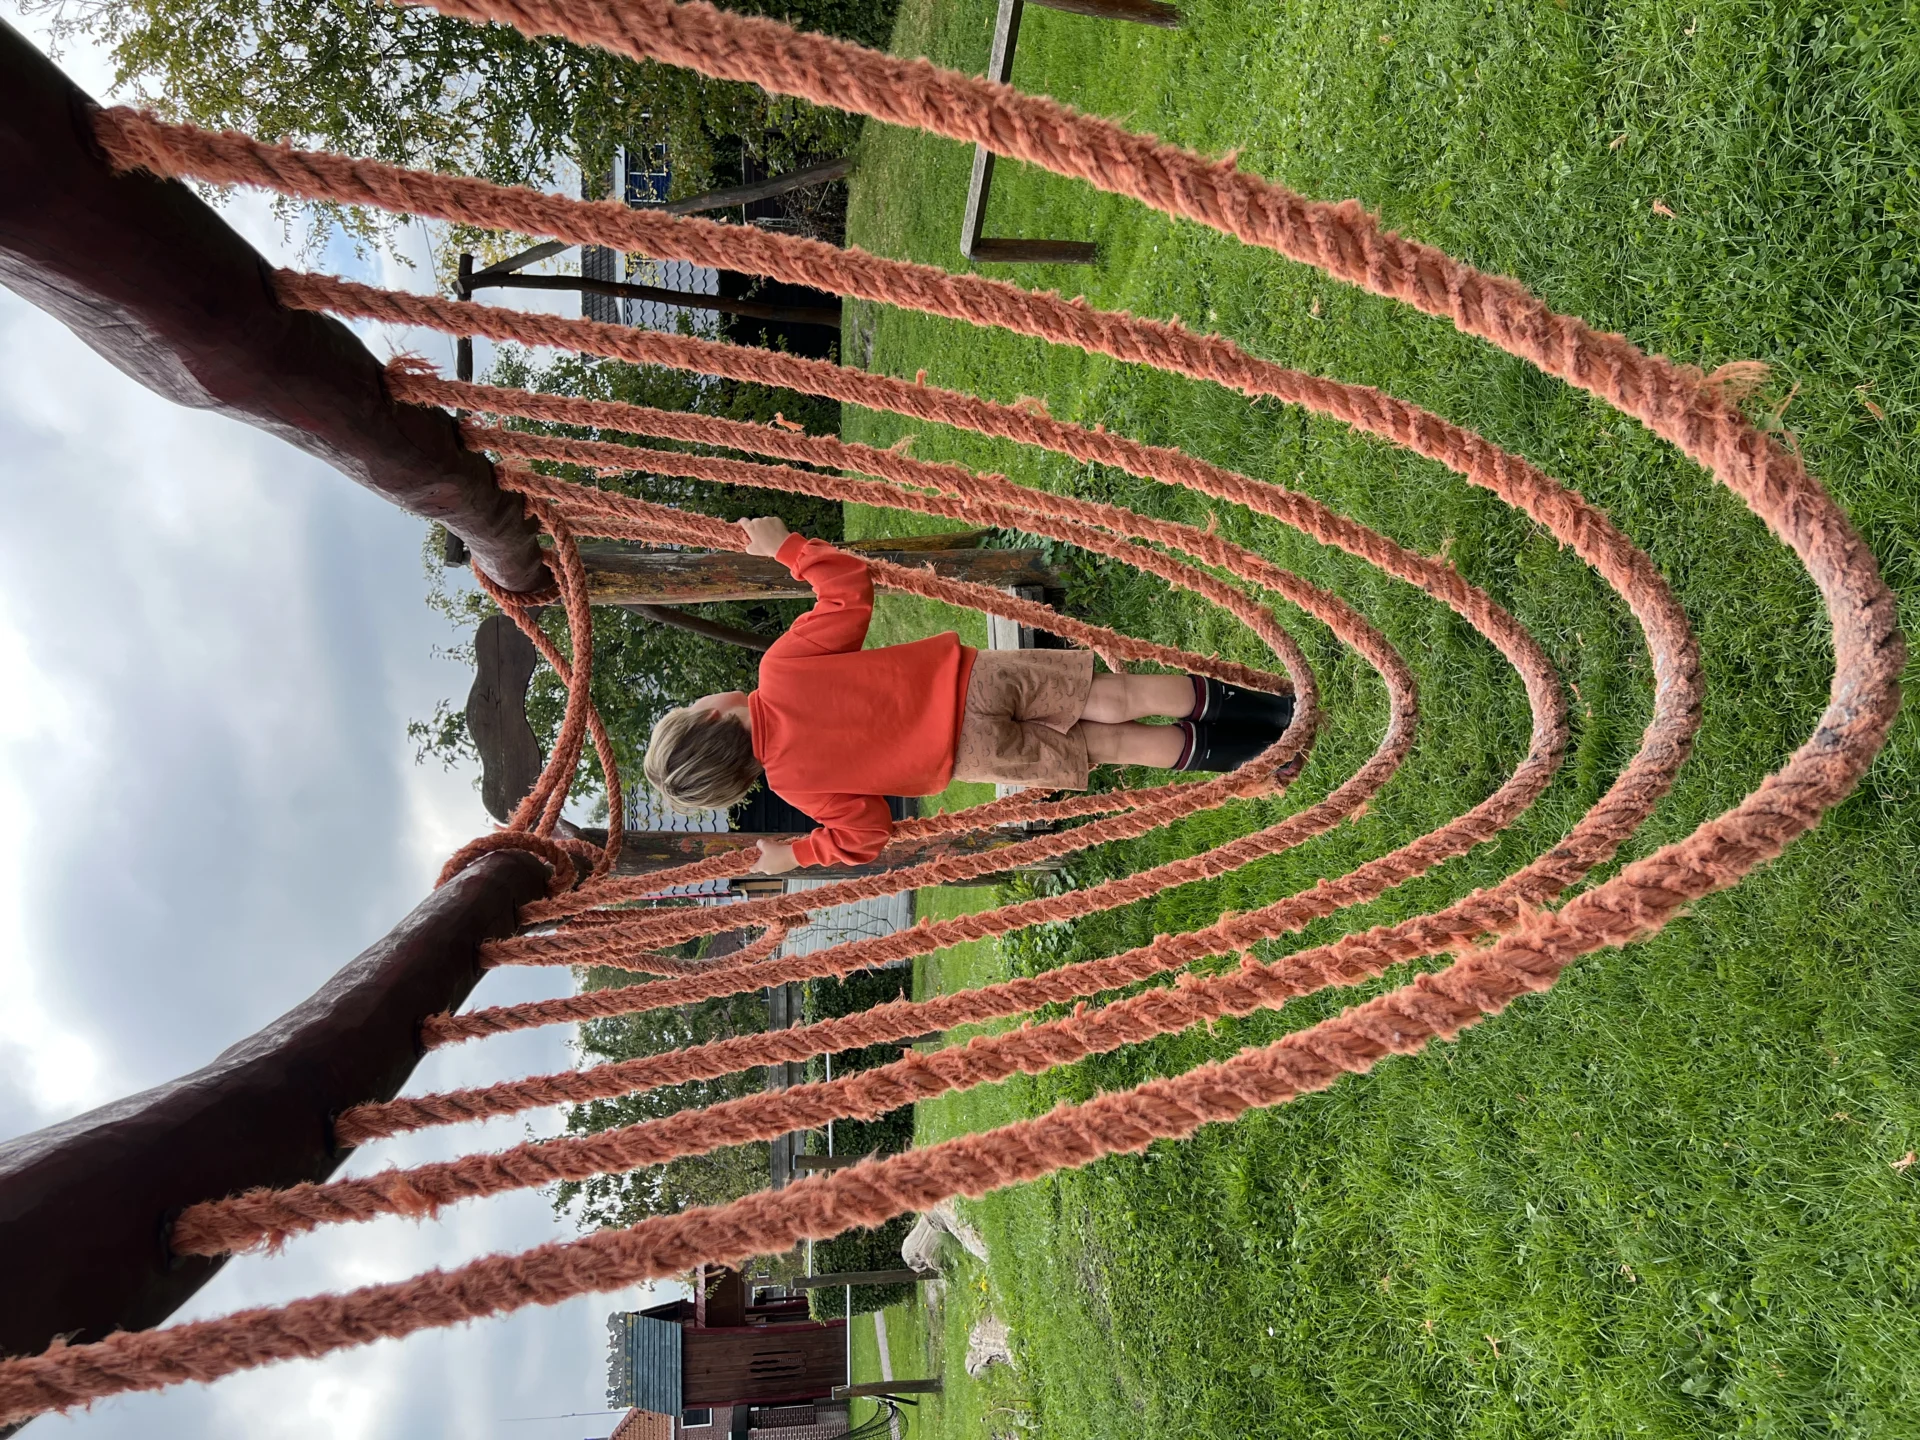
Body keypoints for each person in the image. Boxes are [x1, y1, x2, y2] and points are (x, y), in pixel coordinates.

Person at [641, 517, 1295, 874]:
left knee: (1114, 744)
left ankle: (1264, 759)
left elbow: (865, 834)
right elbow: (848, 591)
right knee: (1111, 696)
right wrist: (784, 548)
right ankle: (1275, 713)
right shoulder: (780, 672)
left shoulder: (795, 788)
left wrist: (800, 853)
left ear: (736, 777)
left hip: (975, 755)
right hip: (971, 681)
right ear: (712, 713)